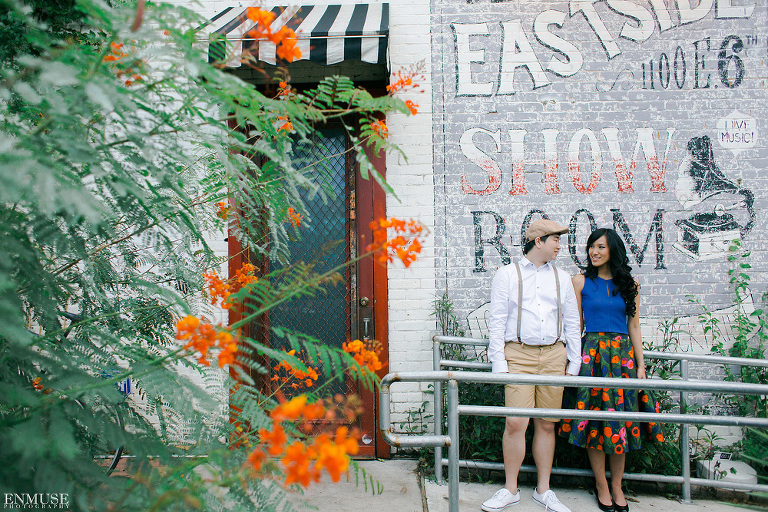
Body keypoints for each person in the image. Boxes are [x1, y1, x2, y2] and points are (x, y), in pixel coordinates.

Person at [559, 228, 664, 512]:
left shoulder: (630, 284)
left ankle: (617, 485)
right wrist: (572, 360)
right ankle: (601, 485)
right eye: (591, 246)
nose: (594, 252)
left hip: (622, 360)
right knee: (594, 422)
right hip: (592, 357)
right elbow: (575, 325)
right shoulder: (580, 281)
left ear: (613, 250)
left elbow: (634, 326)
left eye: (601, 247)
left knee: (621, 422)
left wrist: (641, 365)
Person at [481, 219, 581, 512]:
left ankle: (543, 490)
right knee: (515, 423)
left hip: (554, 355)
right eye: (555, 240)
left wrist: (574, 361)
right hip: (518, 354)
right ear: (538, 241)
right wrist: (498, 361)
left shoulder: (563, 277)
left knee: (547, 424)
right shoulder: (507, 274)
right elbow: (497, 320)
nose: (559, 246)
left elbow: (572, 321)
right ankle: (510, 489)